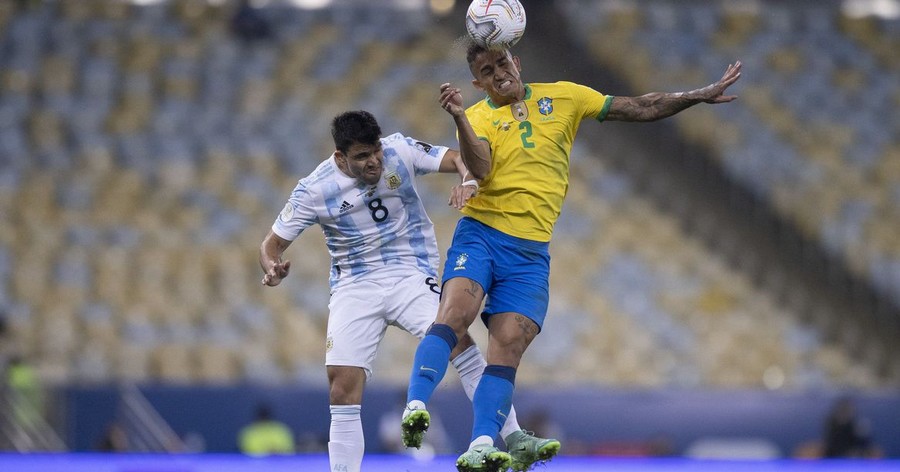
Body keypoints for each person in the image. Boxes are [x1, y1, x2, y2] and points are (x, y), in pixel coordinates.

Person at [402, 42, 742, 472]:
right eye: (487, 72)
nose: (498, 74)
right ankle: (415, 404)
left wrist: (696, 95)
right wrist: (458, 116)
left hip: (530, 253)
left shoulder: (564, 96)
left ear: (517, 61)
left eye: (502, 63)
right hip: (483, 235)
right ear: (478, 82)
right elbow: (482, 170)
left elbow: (640, 106)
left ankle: (483, 444)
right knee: (456, 313)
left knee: (507, 346)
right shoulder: (478, 117)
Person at [259, 110, 551, 472]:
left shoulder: (401, 149)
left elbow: (459, 157)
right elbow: (271, 245)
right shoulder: (314, 189)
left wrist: (467, 180)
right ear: (340, 158)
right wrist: (272, 267)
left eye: (375, 151)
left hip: (409, 274)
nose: (374, 161)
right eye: (362, 156)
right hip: (355, 285)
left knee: (459, 342)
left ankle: (512, 436)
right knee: (341, 388)